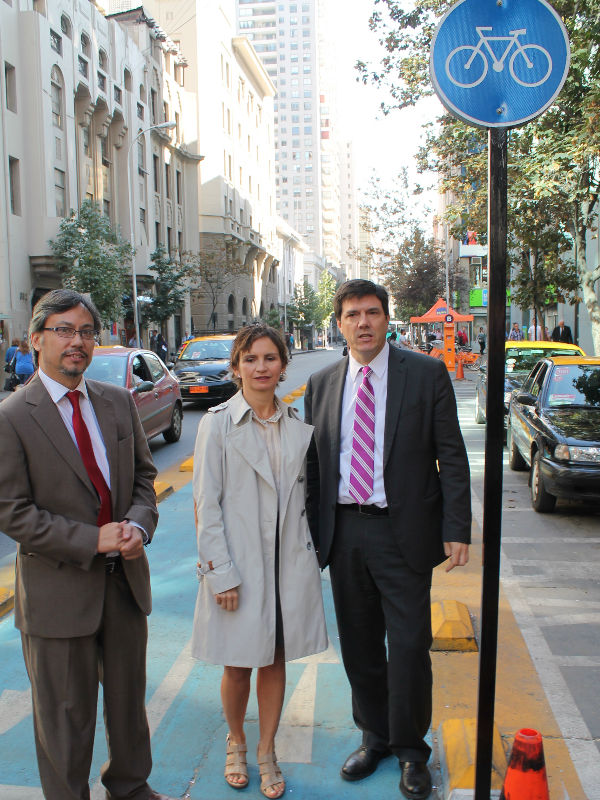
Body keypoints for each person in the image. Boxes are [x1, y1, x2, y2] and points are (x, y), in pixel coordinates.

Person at [0, 289, 174, 800]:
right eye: (63, 330)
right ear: (36, 339)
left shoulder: (116, 402)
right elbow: (12, 512)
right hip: (57, 595)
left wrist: (138, 527)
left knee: (128, 704)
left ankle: (131, 786)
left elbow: (144, 479)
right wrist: (91, 540)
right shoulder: (12, 417)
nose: (76, 341)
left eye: (85, 332)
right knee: (64, 719)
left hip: (124, 586)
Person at [304, 280, 471, 800]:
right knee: (359, 647)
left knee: (410, 646)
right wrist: (309, 538)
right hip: (344, 531)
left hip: (404, 534)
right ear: (339, 324)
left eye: (372, 312)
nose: (363, 322)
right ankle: (374, 738)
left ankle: (411, 750)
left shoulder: (424, 374)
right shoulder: (322, 385)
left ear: (386, 318)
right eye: (353, 314)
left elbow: (452, 455)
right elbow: (313, 467)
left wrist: (457, 528)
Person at [191, 324, 327, 799]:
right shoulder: (217, 424)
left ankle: (267, 749)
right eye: (250, 359)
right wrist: (220, 574)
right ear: (236, 367)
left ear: (283, 366)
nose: (261, 367)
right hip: (239, 567)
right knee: (237, 665)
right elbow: (206, 505)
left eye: (270, 358)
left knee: (274, 661)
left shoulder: (296, 425)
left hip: (286, 567)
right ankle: (237, 741)